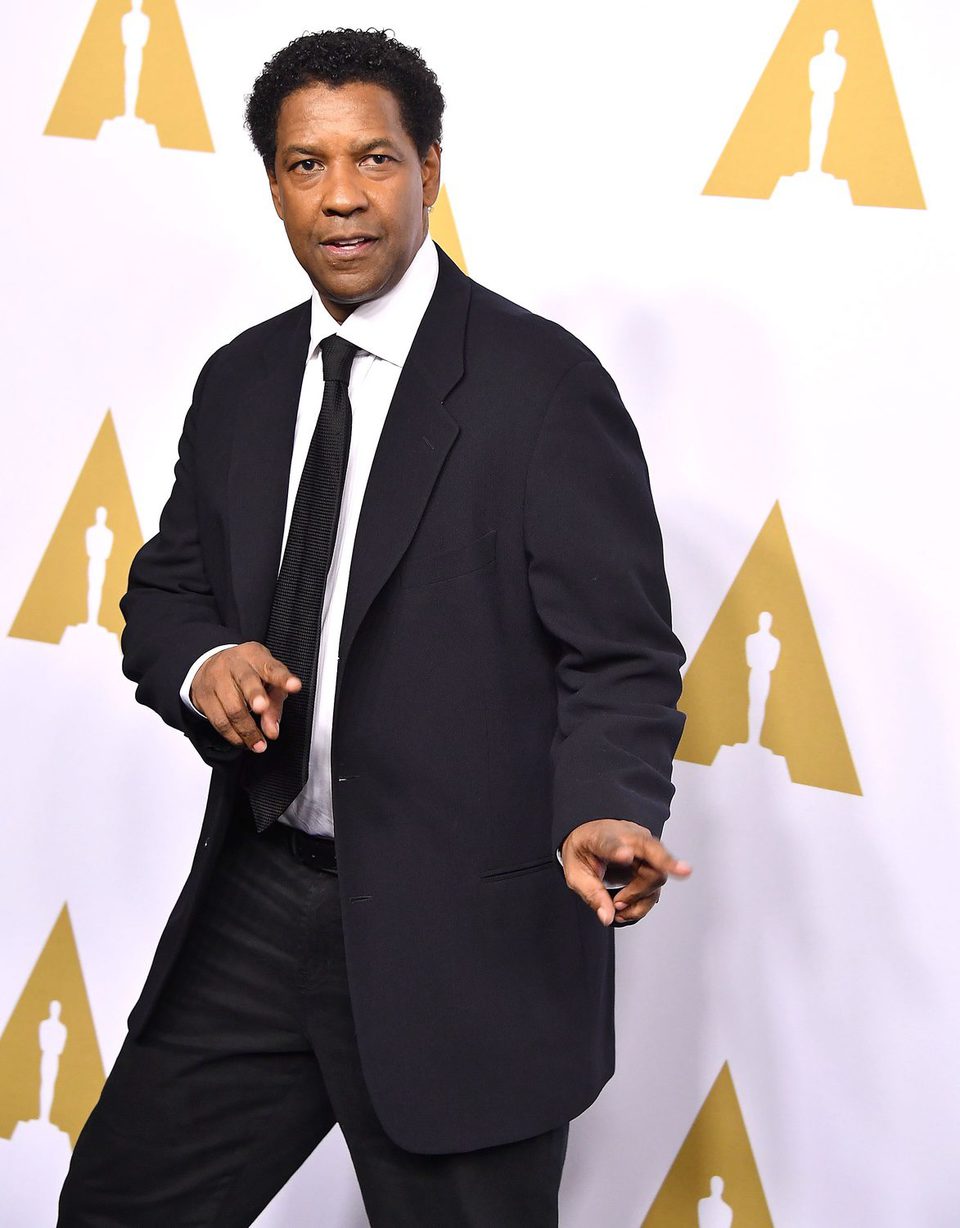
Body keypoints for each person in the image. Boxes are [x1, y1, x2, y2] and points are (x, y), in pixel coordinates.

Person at [59, 28, 690, 1227]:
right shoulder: (241, 381)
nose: (341, 196)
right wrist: (205, 662)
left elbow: (621, 657)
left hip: (467, 935)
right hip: (258, 899)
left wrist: (610, 805)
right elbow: (166, 590)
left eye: (375, 160)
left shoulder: (544, 387)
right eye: (306, 165)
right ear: (274, 184)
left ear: (431, 171)